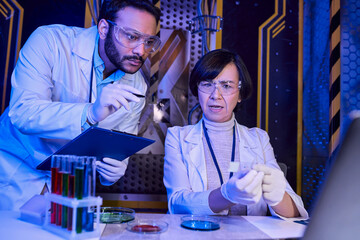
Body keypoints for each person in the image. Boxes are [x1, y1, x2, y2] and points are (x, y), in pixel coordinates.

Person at [0, 0, 161, 210]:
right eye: (131, 36)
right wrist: (89, 113)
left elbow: (117, 145)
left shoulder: (137, 84)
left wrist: (114, 170)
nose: (141, 51)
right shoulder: (50, 41)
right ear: (104, 28)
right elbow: (22, 112)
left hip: (67, 183)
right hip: (14, 169)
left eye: (149, 41)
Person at [163, 49, 308, 219]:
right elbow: (177, 204)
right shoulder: (178, 137)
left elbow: (296, 214)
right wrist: (226, 195)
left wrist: (277, 198)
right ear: (197, 89)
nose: (215, 95)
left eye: (226, 86)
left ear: (239, 94)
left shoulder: (259, 139)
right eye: (207, 84)